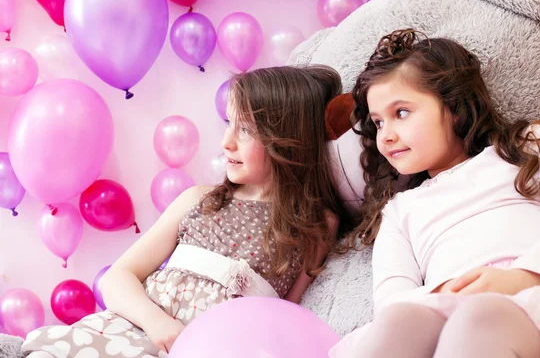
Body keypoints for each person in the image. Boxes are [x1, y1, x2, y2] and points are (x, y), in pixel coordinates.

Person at [23, 65, 351, 358]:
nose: (226, 142)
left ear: (289, 139)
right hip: (136, 328)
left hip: (213, 347)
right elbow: (118, 277)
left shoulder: (318, 225)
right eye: (228, 124)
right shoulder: (199, 200)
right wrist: (157, 323)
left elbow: (287, 317)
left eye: (246, 130)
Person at [331, 29, 540, 358]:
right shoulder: (400, 210)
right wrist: (446, 293)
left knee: (481, 317)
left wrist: (523, 277)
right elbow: (392, 297)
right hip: (448, 306)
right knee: (401, 322)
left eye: (400, 113)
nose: (385, 136)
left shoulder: (528, 144)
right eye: (378, 122)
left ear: (454, 107)